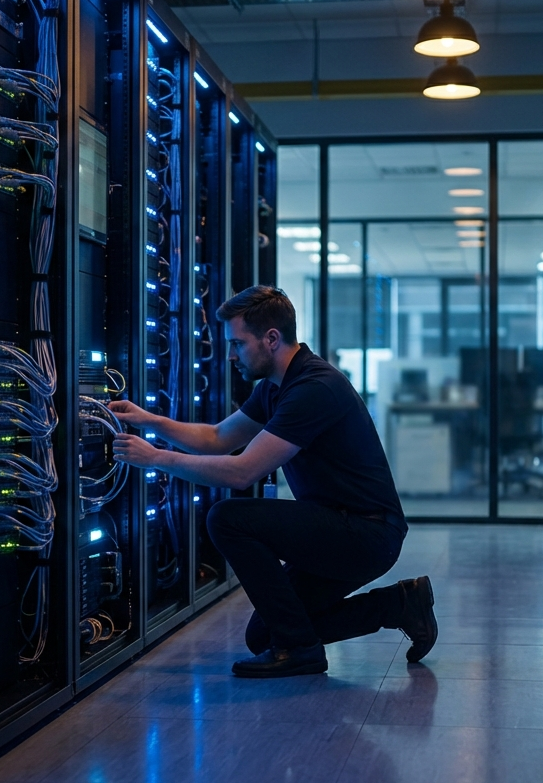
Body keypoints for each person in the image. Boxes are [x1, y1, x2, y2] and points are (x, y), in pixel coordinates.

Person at [110, 285, 437, 678]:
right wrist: (149, 421)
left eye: (238, 344)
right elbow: (218, 439)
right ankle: (400, 605)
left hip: (366, 534)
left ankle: (301, 650)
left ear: (271, 338)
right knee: (265, 636)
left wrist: (156, 459)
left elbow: (242, 470)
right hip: (341, 526)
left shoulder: (314, 388)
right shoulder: (275, 388)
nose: (232, 355)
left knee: (227, 517)